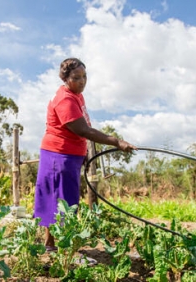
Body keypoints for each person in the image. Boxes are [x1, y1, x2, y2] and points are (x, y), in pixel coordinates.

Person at [34, 58, 137, 251]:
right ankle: (62, 249)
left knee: (63, 200)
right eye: (76, 77)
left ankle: (54, 246)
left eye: (84, 76)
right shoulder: (65, 99)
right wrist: (116, 141)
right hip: (58, 155)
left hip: (68, 156)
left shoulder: (76, 95)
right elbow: (83, 130)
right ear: (65, 78)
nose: (82, 81)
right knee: (61, 202)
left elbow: (83, 131)